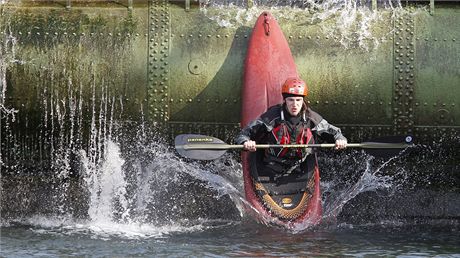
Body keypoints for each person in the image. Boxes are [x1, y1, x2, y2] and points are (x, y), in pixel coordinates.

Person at [235, 77, 347, 178]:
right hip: (272, 165)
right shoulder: (271, 117)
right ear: (285, 100)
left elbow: (335, 132)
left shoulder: (312, 118)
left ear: (303, 101)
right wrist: (245, 142)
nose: (295, 104)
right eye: (291, 100)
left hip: (300, 165)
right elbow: (244, 134)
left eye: (298, 100)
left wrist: (340, 140)